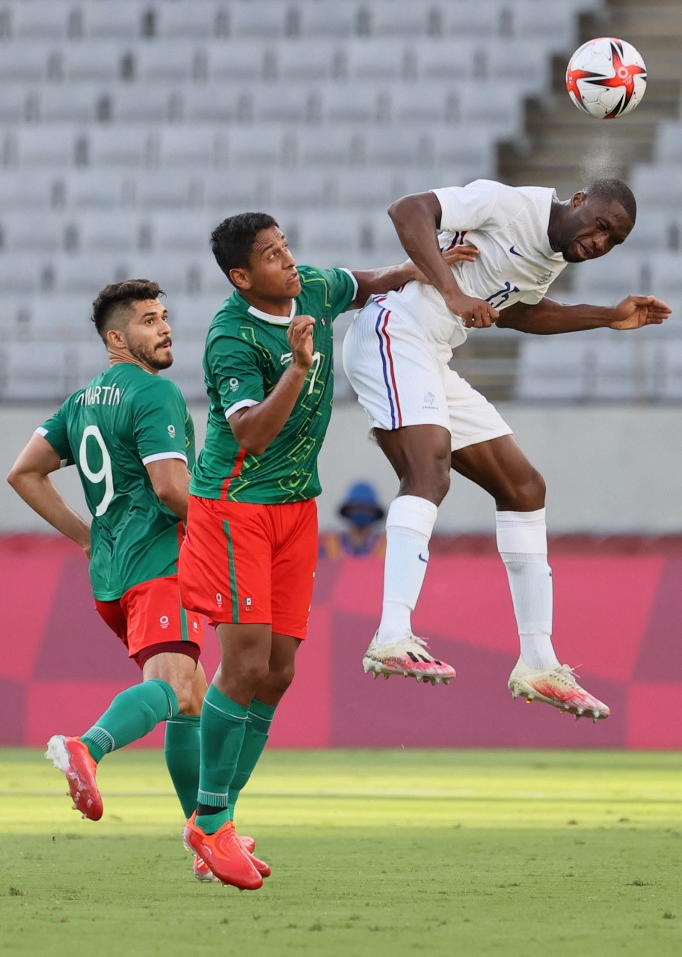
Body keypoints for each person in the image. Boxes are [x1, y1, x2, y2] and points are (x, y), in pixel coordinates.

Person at [178, 212, 476, 890]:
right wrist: (300, 367)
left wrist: (426, 267)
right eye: (271, 256)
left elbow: (364, 283)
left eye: (286, 248)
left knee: (279, 672)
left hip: (295, 508)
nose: (289, 261)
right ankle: (209, 822)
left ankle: (218, 822)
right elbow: (250, 434)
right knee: (246, 661)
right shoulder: (231, 338)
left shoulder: (310, 286)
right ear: (241, 277)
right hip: (236, 506)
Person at [342, 176, 672, 719]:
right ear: (580, 201)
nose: (601, 242)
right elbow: (407, 209)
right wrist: (451, 289)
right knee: (430, 472)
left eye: (614, 241)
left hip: (433, 353)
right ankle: (391, 635)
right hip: (393, 331)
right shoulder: (509, 203)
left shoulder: (552, 255)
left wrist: (609, 316)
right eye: (602, 226)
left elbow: (524, 311)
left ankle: (539, 663)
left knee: (524, 487)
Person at [6, 279, 215, 880]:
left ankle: (207, 834)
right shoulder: (154, 394)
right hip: (160, 561)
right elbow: (173, 490)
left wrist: (83, 535)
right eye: (150, 320)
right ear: (117, 338)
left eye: (166, 316)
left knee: (191, 699)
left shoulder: (81, 402)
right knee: (176, 687)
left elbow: (24, 473)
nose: (166, 327)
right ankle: (87, 748)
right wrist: (225, 534)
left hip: (112, 574)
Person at [319, 480, 386, 557]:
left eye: (366, 508)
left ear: (375, 512)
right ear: (347, 510)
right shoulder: (331, 544)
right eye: (356, 507)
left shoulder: (385, 545)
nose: (361, 511)